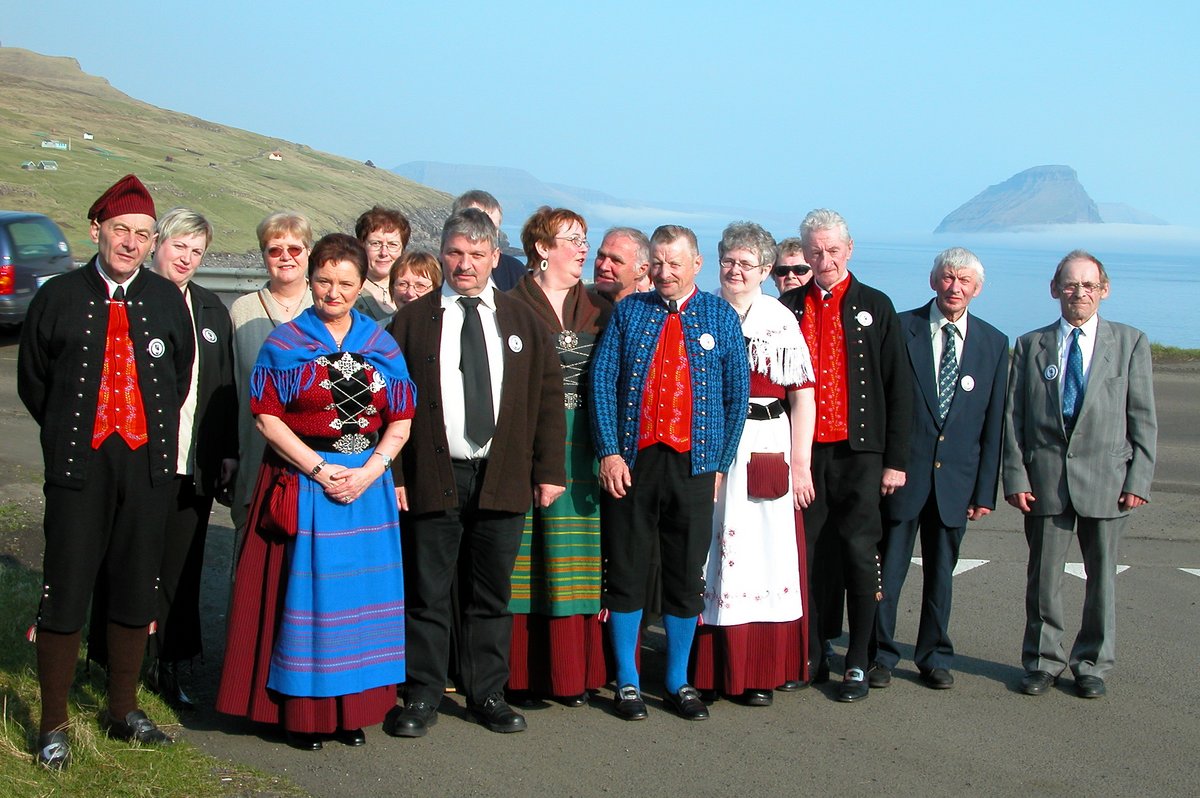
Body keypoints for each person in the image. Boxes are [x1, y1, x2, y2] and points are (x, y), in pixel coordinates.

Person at [18, 174, 194, 769]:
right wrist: (72, 433)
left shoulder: (168, 299)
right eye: (121, 230)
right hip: (77, 465)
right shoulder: (58, 296)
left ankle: (122, 710)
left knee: (135, 584)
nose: (131, 243)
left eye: (144, 234)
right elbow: (35, 382)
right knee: (65, 590)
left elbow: (179, 380)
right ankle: (52, 724)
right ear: (97, 229)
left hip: (146, 471)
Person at [216, 233, 415, 749]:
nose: (334, 292)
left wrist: (372, 471)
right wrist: (320, 469)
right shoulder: (285, 343)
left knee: (360, 601)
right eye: (324, 281)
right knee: (310, 602)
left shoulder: (380, 343)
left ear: (359, 284)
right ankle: (305, 715)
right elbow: (266, 417)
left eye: (346, 283)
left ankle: (353, 712)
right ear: (311, 281)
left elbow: (402, 418)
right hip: (304, 482)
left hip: (367, 487)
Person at [385, 208, 566, 737]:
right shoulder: (411, 322)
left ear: (494, 258)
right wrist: (395, 474)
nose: (464, 264)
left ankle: (487, 693)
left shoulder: (523, 321)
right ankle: (420, 696)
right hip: (430, 476)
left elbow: (548, 399)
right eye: (455, 253)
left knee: (491, 595)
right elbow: (391, 406)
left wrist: (549, 470)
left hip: (503, 477)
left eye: (476, 255)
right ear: (442, 254)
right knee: (428, 591)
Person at [591, 224, 749, 721]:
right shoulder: (628, 312)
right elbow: (602, 384)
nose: (664, 272)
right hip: (635, 464)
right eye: (656, 263)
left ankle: (679, 680)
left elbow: (736, 396)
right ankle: (629, 682)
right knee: (628, 569)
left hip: (695, 465)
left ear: (696, 264)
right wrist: (610, 452)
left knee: (685, 575)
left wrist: (719, 464)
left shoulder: (720, 316)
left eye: (674, 263)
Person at [86, 208, 238, 711]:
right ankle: (116, 663)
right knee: (128, 561)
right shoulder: (134, 301)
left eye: (197, 252)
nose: (187, 259)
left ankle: (169, 665)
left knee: (180, 567)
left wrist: (227, 453)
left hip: (192, 461)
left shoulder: (213, 310)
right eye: (179, 247)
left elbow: (222, 390)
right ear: (157, 247)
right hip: (136, 461)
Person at [1003, 250, 1156, 699]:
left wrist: (1138, 480)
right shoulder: (1032, 345)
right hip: (1045, 481)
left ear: (1104, 290)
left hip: (1109, 482)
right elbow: (1014, 419)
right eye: (1071, 285)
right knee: (1043, 580)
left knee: (1102, 580)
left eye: (1089, 285)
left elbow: (1143, 418)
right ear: (1055, 290)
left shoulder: (1130, 342)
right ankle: (1042, 661)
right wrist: (1016, 477)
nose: (1080, 293)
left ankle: (1091, 664)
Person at [778, 208, 911, 702]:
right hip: (804, 454)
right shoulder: (788, 306)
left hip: (861, 455)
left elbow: (899, 389)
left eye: (833, 250)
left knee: (859, 552)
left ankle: (859, 658)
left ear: (849, 250)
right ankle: (812, 655)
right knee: (808, 556)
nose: (824, 259)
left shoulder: (876, 305)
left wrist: (896, 461)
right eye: (815, 251)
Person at [870, 247, 1007, 690]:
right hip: (903, 477)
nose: (955, 287)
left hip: (956, 482)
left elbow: (993, 423)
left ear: (977, 289)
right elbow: (884, 404)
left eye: (964, 281)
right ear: (933, 281)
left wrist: (985, 491)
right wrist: (886, 465)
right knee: (888, 571)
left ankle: (933, 655)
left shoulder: (993, 343)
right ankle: (880, 654)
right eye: (948, 278)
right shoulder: (902, 327)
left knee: (941, 576)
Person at [692, 222, 815, 707]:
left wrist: (799, 464)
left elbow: (803, 396)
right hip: (711, 440)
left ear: (765, 270)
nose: (736, 270)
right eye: (729, 261)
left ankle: (759, 667)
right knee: (708, 548)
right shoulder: (700, 312)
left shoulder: (779, 321)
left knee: (764, 554)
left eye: (747, 263)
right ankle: (707, 667)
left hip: (765, 440)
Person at [505, 206, 612, 705]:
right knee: (525, 556)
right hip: (527, 439)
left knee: (577, 555)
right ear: (542, 248)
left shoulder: (600, 309)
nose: (583, 248)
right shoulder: (509, 306)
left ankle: (572, 673)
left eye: (584, 238)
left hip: (585, 445)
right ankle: (522, 674)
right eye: (571, 238)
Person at [229, 213, 315, 535]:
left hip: (315, 453)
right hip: (255, 452)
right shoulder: (243, 311)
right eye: (274, 250)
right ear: (263, 255)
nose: (285, 257)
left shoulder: (326, 307)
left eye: (295, 249)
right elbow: (232, 388)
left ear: (309, 252)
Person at [451, 190, 526, 290]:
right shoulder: (433, 274)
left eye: (493, 228)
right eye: (479, 226)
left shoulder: (514, 271)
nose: (487, 233)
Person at [354, 205, 412, 320]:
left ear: (402, 250)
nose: (384, 252)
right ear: (361, 246)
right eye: (376, 243)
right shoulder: (350, 290)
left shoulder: (413, 291)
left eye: (392, 244)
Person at [592, 226, 650, 303]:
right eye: (601, 256)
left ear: (641, 270)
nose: (603, 267)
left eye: (616, 260)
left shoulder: (652, 311)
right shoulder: (578, 302)